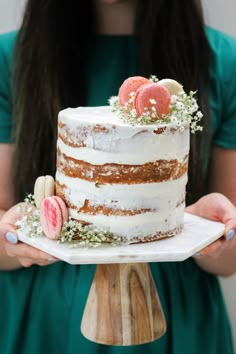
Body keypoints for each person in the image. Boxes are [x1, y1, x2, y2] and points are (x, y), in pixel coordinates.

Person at [0, 0, 236, 353]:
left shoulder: (223, 61)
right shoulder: (11, 58)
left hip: (179, 318)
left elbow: (229, 262)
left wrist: (215, 236)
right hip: (43, 320)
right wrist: (12, 238)